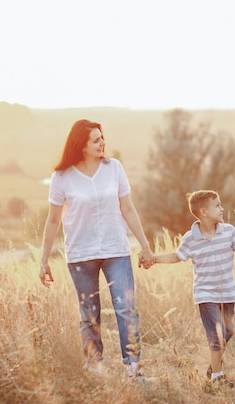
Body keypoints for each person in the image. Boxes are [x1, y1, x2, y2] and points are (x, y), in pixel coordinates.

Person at [38, 119, 154, 381]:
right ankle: (95, 369)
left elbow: (128, 209)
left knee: (126, 309)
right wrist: (43, 260)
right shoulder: (62, 177)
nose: (102, 142)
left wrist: (145, 245)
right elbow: (53, 220)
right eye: (95, 139)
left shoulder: (114, 168)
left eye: (102, 138)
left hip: (116, 251)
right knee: (89, 314)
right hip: (81, 255)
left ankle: (134, 370)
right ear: (81, 145)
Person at [141, 190, 235, 386]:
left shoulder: (228, 231)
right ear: (203, 212)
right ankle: (217, 378)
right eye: (218, 205)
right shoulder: (190, 238)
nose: (222, 209)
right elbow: (177, 256)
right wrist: (154, 259)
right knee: (216, 334)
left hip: (228, 292)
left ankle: (214, 367)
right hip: (205, 293)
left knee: (228, 332)